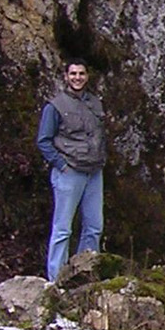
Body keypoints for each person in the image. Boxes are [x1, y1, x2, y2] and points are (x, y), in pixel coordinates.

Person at [37, 60, 105, 281]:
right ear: (66, 76)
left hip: (94, 172)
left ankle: (86, 274)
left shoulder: (95, 103)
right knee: (63, 228)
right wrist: (61, 165)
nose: (77, 77)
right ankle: (55, 279)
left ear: (87, 76)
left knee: (94, 226)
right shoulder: (55, 106)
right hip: (69, 172)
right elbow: (43, 141)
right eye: (73, 73)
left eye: (82, 73)